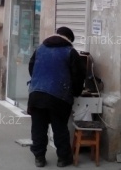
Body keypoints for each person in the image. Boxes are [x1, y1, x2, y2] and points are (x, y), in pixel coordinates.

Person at [27, 27, 86, 168]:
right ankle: (63, 158)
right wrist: (76, 92)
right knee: (59, 128)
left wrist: (39, 81)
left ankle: (39, 157)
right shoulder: (70, 52)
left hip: (36, 94)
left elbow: (31, 68)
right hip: (58, 97)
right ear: (69, 39)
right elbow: (78, 76)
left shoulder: (40, 48)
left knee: (38, 127)